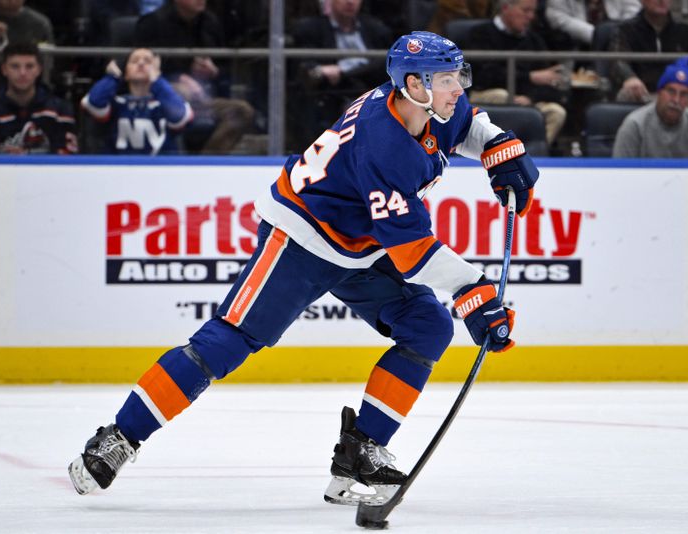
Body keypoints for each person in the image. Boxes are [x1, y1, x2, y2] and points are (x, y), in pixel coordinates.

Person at [67, 31, 538, 506]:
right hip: (302, 236)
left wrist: (498, 146)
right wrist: (473, 289)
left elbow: (469, 124)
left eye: (459, 76)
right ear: (413, 85)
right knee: (226, 342)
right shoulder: (384, 144)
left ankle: (361, 454)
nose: (458, 88)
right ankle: (119, 436)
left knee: (427, 326)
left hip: (362, 243)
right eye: (445, 79)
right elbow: (413, 251)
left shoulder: (434, 102)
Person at [134, 0, 254, 154]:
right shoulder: (152, 23)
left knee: (242, 111)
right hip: (162, 97)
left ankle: (208, 161)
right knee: (182, 90)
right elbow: (140, 65)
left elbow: (225, 65)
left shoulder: (211, 22)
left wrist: (214, 70)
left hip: (203, 99)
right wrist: (180, 76)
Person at [290, 0, 393, 147]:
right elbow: (305, 66)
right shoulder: (310, 29)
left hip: (371, 92)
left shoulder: (376, 30)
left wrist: (342, 71)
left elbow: (386, 63)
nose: (350, 2)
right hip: (331, 95)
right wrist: (320, 71)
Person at [466, 0, 568, 146]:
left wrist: (531, 98)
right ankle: (493, 150)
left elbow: (549, 83)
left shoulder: (535, 41)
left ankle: (529, 155)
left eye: (533, 12)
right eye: (526, 11)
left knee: (556, 112)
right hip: (486, 93)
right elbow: (483, 76)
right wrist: (529, 77)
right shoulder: (480, 34)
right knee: (502, 96)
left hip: (525, 100)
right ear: (506, 8)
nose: (531, 16)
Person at [609, 0, 688, 103]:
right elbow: (619, 61)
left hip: (683, 100)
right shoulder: (625, 30)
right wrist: (629, 78)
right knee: (626, 94)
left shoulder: (687, 30)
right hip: (642, 98)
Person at [0, 42, 77, 155]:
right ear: (4, 70)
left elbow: (67, 160)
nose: (22, 73)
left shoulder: (59, 110)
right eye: (15, 66)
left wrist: (27, 158)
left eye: (29, 66)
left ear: (39, 70)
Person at [81, 48, 193, 155]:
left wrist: (157, 80)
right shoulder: (117, 104)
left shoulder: (164, 102)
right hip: (118, 169)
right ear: (126, 73)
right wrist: (113, 77)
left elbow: (180, 116)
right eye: (134, 61)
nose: (141, 63)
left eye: (148, 61)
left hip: (160, 169)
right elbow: (93, 102)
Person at [613, 57, 688, 158]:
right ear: (659, 92)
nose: (676, 100)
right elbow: (619, 171)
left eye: (684, 94)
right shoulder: (635, 125)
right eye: (671, 91)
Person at [545, 0, 640, 48]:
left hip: (621, 48)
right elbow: (559, 19)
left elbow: (635, 13)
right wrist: (602, 35)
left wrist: (618, 34)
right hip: (578, 51)